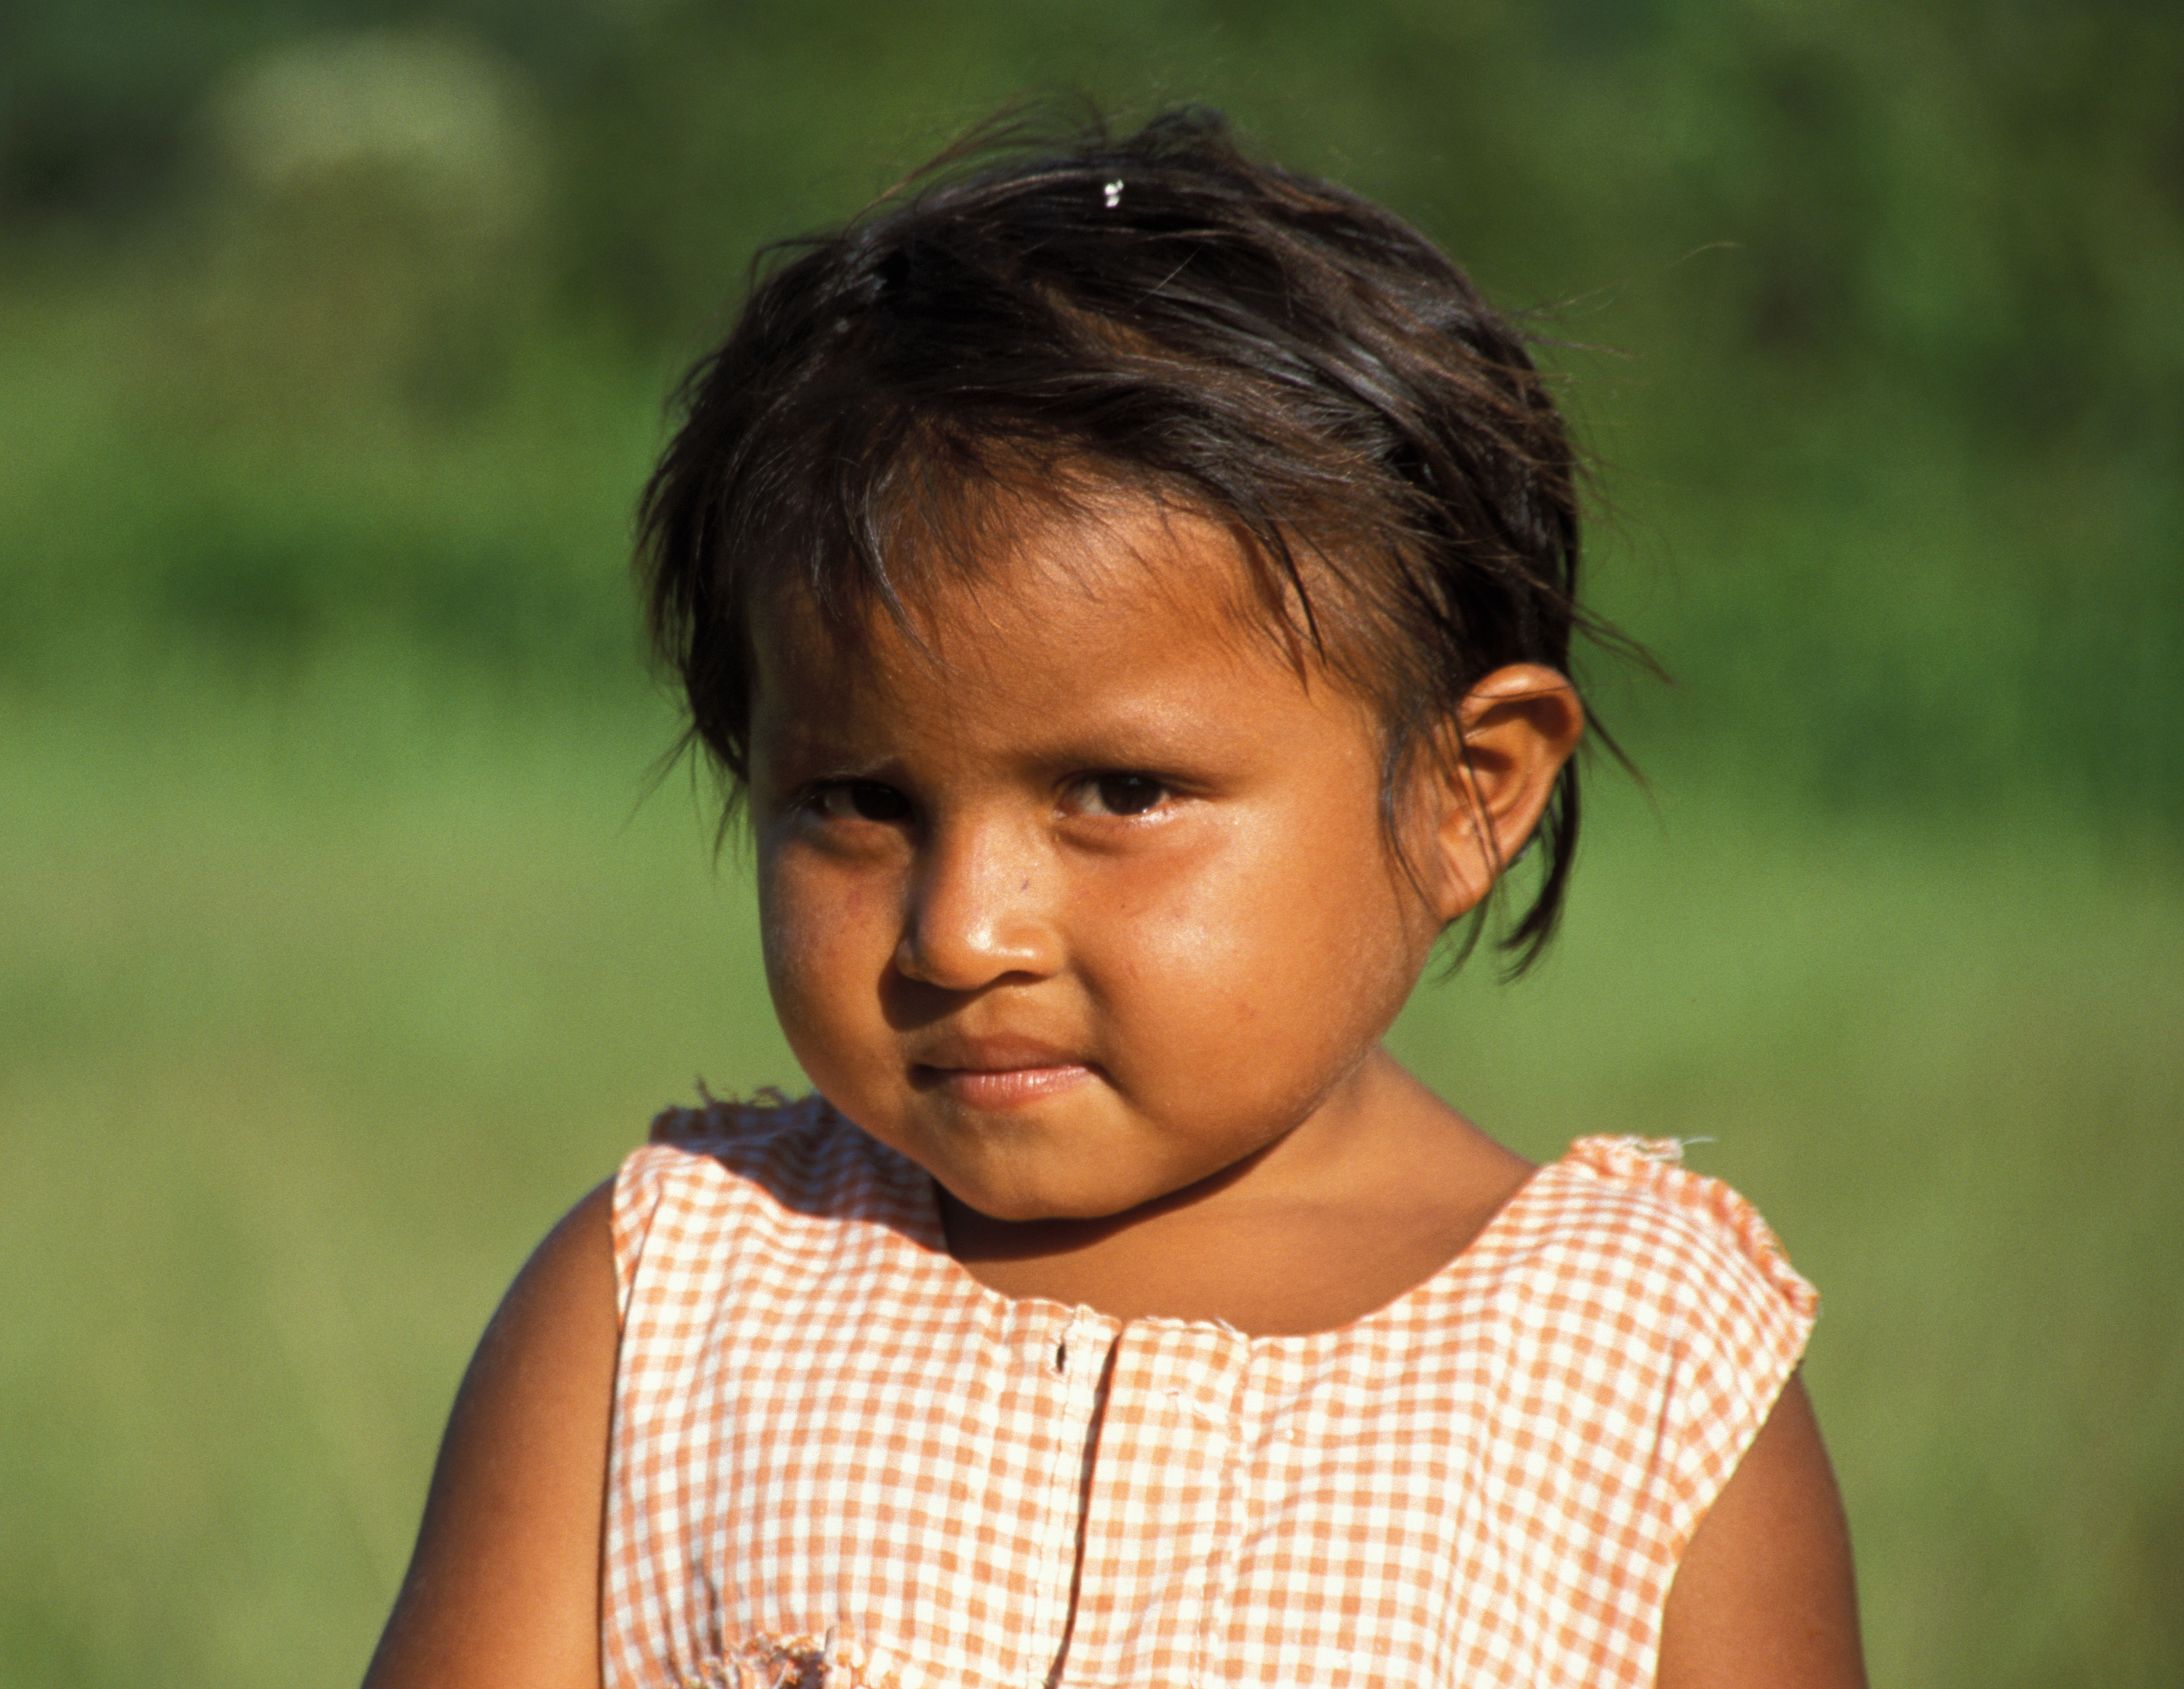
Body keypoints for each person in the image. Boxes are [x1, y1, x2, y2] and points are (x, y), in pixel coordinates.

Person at [363, 107, 1866, 1689]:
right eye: (859, 802)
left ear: (1463, 792)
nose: (962, 930)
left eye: (1119, 793)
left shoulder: (1638, 1374)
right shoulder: (670, 1302)